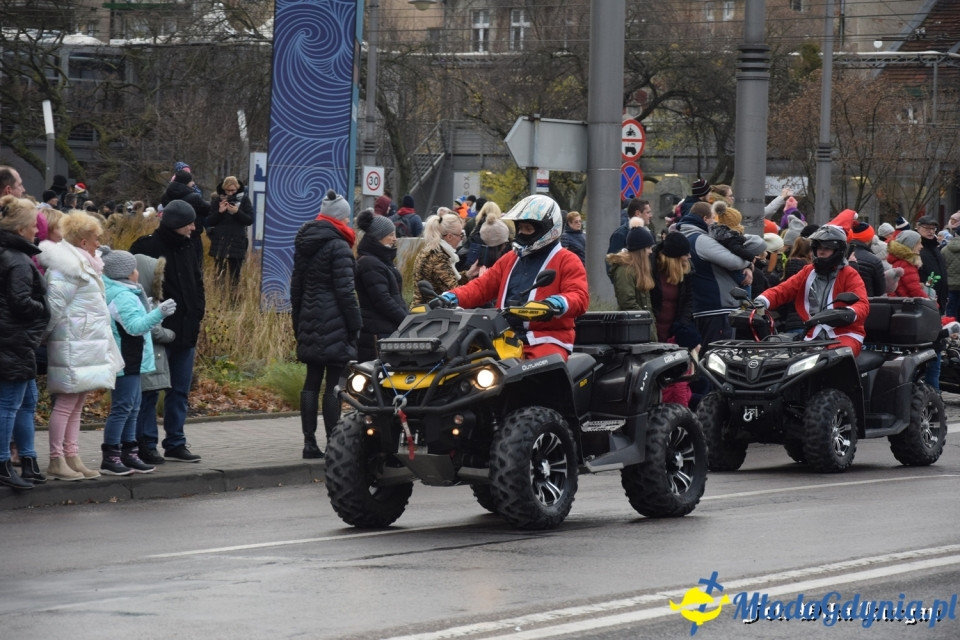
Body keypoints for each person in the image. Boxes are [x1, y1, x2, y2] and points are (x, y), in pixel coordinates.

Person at [442, 195, 589, 361]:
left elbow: (579, 296)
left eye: (528, 229)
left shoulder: (567, 260)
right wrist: (451, 297)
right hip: (504, 337)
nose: (522, 233)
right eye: (520, 229)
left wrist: (556, 303)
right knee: (462, 364)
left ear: (547, 229)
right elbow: (481, 286)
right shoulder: (510, 258)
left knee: (541, 374)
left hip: (545, 339)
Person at [38, 211, 124, 480]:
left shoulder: (86, 264)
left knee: (77, 403)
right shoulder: (67, 268)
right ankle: (56, 458)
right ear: (84, 241)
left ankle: (72, 455)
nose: (100, 243)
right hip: (73, 342)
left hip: (85, 342)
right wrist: (42, 338)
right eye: (96, 238)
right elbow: (53, 308)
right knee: (66, 403)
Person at [130, 200, 205, 463]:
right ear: (176, 224)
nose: (194, 228)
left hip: (186, 330)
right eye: (190, 223)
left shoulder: (191, 245)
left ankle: (175, 442)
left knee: (179, 391)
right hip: (157, 332)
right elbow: (134, 290)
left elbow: (197, 281)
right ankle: (145, 443)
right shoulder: (145, 246)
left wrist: (197, 314)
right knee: (150, 390)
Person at [290, 189, 362, 459]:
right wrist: (356, 325)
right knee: (335, 383)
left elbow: (295, 286)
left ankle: (309, 443)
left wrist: (298, 322)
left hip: (309, 316)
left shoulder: (305, 242)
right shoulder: (339, 246)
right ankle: (334, 441)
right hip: (335, 320)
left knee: (311, 381)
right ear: (341, 219)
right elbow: (346, 291)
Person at [100, 247, 176, 475]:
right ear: (125, 273)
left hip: (133, 359)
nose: (137, 272)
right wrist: (159, 313)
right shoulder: (122, 296)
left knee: (133, 407)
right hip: (126, 359)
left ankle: (128, 452)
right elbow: (134, 327)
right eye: (133, 268)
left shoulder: (129, 292)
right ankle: (111, 455)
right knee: (123, 407)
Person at [755, 225, 870, 356]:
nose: (821, 251)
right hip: (811, 334)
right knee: (773, 351)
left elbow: (862, 304)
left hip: (844, 333)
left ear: (838, 250)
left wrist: (849, 312)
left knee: (837, 356)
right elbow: (783, 290)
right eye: (818, 248)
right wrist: (760, 301)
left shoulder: (849, 274)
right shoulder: (807, 271)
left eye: (827, 248)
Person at [0, 196, 50, 489]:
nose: (37, 230)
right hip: (14, 340)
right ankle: (5, 463)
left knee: (26, 400)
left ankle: (28, 460)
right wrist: (44, 308)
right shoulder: (18, 260)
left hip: (15, 340)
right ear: (21, 229)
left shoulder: (10, 254)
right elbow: (20, 302)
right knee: (10, 404)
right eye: (33, 225)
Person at [676, 201, 763, 348]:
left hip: (703, 308)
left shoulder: (685, 237)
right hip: (716, 308)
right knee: (718, 355)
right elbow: (733, 261)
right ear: (705, 219)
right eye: (712, 219)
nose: (714, 223)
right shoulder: (701, 240)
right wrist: (749, 263)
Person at [133, 253, 176, 465]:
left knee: (145, 404)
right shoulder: (145, 302)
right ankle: (147, 445)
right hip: (150, 361)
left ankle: (144, 444)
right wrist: (171, 335)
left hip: (152, 361)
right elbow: (154, 330)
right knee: (146, 405)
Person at [355, 210, 408, 362]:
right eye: (391, 235)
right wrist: (405, 320)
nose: (395, 239)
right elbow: (382, 299)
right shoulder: (370, 263)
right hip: (376, 332)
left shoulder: (380, 261)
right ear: (378, 237)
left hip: (385, 328)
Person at [606, 224, 658, 339]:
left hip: (641, 329)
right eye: (648, 247)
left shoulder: (638, 269)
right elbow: (627, 303)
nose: (650, 252)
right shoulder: (625, 271)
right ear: (640, 250)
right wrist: (645, 321)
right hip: (634, 331)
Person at [411, 213, 475, 305]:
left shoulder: (433, 250)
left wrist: (468, 274)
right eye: (460, 235)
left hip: (427, 310)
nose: (461, 239)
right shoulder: (438, 258)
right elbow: (455, 292)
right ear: (449, 236)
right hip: (430, 313)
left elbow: (447, 279)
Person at [207, 176, 254, 287]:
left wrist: (237, 212)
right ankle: (219, 299)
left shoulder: (244, 200)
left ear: (237, 188)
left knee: (235, 277)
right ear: (224, 189)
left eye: (233, 190)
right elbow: (210, 221)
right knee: (219, 276)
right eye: (228, 190)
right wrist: (220, 212)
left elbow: (249, 220)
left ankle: (233, 301)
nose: (230, 193)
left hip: (237, 242)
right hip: (220, 241)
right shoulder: (218, 200)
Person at [160, 170, 209, 264]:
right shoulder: (194, 197)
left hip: (170, 234)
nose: (193, 183)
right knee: (195, 265)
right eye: (191, 181)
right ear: (186, 182)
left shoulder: (166, 196)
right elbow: (207, 210)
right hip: (192, 235)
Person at [916, 215, 948, 313]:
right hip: (926, 297)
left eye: (933, 228)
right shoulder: (917, 248)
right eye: (927, 228)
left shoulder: (935, 247)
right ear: (918, 228)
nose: (931, 231)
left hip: (941, 296)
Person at [846, 222, 886, 298]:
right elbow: (880, 291)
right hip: (866, 303)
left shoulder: (840, 255)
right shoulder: (874, 261)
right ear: (869, 239)